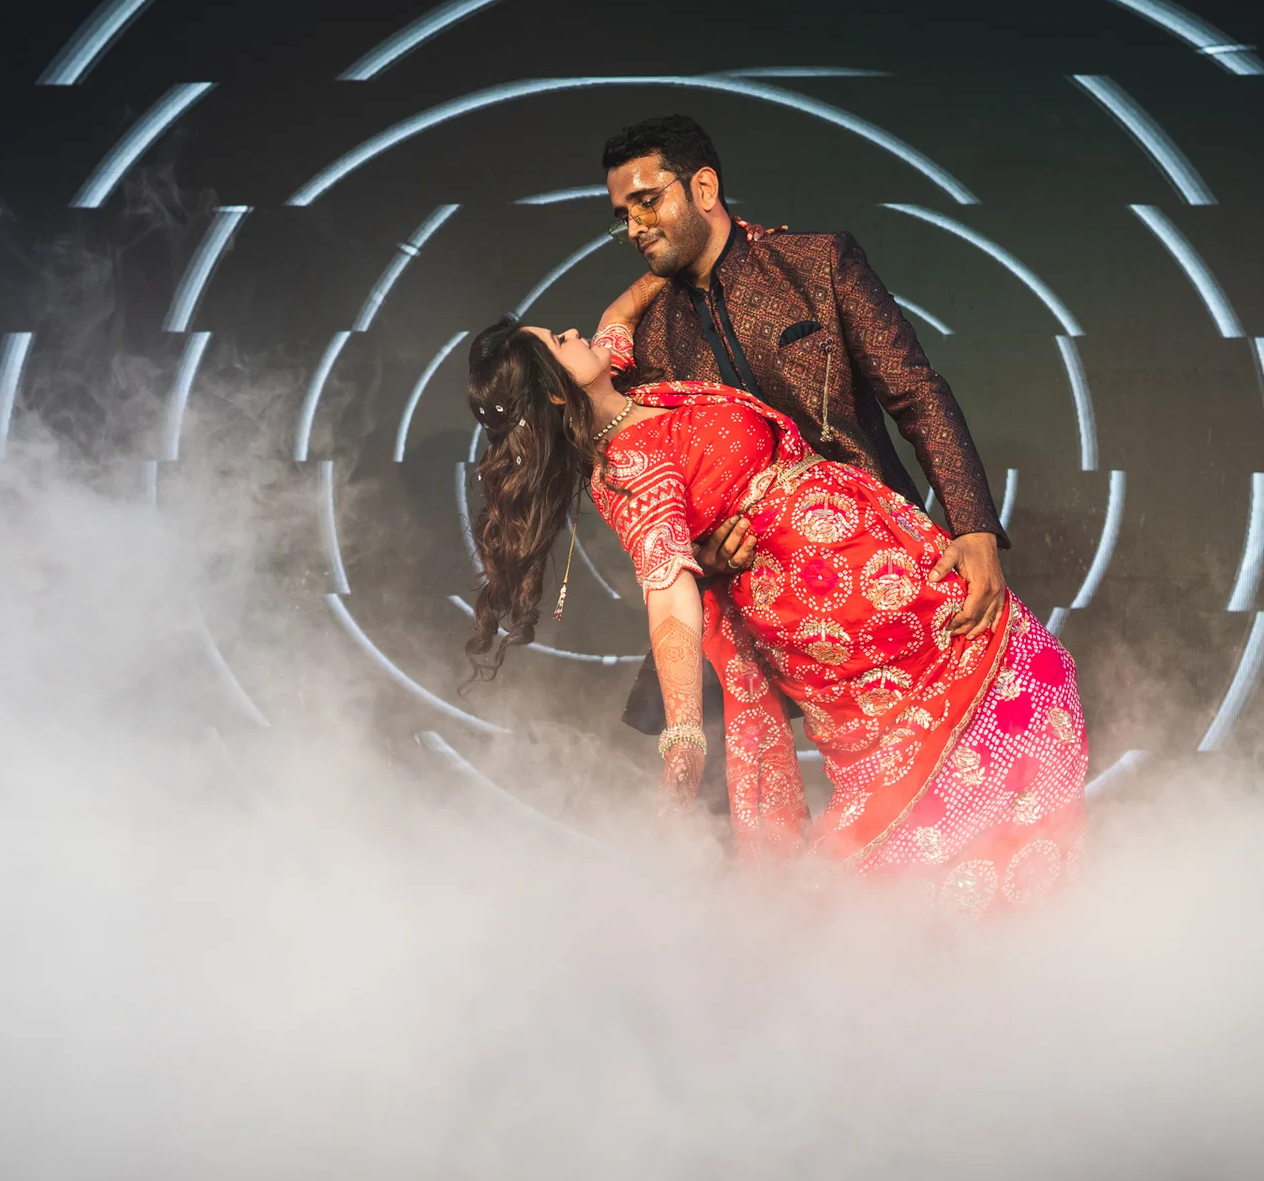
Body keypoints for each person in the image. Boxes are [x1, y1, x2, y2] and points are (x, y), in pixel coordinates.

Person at [463, 317, 1088, 916]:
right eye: (559, 340)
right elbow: (668, 591)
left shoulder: (628, 386)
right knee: (924, 777)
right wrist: (683, 735)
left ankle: (1017, 933)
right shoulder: (628, 467)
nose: (576, 333)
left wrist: (684, 229)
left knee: (1032, 688)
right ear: (553, 390)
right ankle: (915, 957)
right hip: (841, 625)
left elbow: (617, 317)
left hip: (898, 566)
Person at [590, 114, 1012, 788]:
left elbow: (916, 394)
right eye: (623, 214)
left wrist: (976, 528)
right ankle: (745, 892)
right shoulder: (652, 342)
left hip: (871, 562)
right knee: (707, 779)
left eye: (648, 201)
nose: (635, 226)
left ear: (703, 187)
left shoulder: (815, 264)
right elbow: (658, 486)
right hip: (749, 592)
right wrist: (700, 554)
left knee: (942, 766)